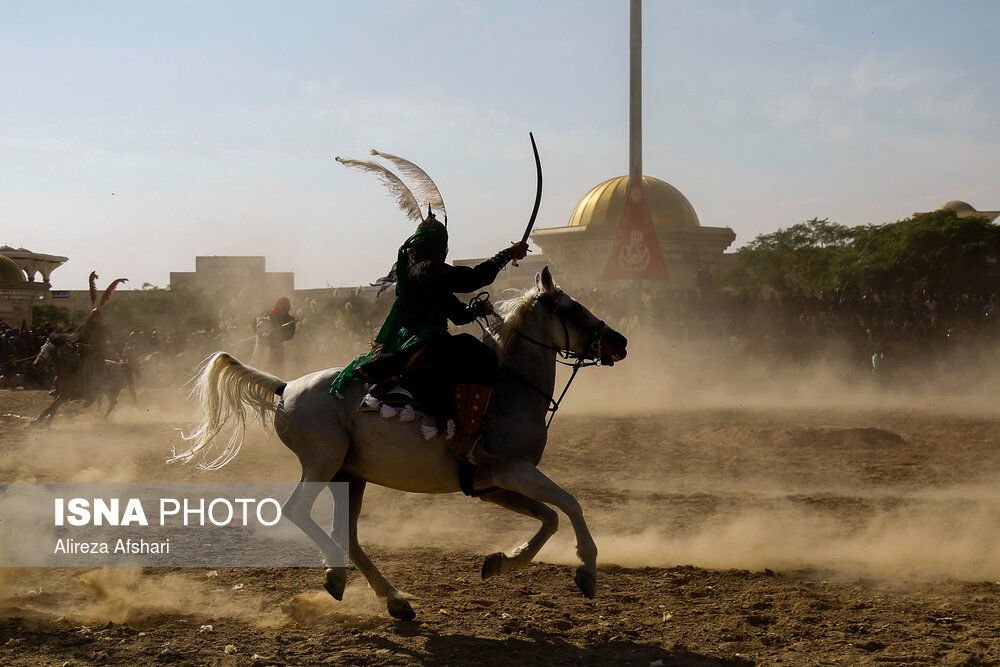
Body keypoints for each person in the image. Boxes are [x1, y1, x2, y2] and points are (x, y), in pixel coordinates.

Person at [331, 211, 528, 464]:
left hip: (431, 340)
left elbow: (458, 316)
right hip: (422, 342)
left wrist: (476, 310)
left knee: (470, 348)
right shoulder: (424, 270)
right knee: (482, 355)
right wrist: (506, 255)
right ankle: (466, 440)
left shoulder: (428, 274)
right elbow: (473, 280)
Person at [254, 296, 296, 376]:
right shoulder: (266, 314)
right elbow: (255, 324)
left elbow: (290, 335)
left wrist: (276, 335)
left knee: (275, 369)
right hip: (261, 342)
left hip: (276, 348)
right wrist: (259, 332)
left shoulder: (289, 319)